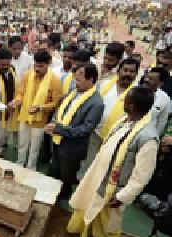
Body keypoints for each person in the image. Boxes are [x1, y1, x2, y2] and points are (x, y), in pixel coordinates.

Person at [67, 86, 158, 237]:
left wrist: (123, 196)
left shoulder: (148, 138)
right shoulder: (124, 121)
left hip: (114, 191)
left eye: (126, 99)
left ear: (131, 106)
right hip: (97, 180)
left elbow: (142, 175)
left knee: (107, 227)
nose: (122, 101)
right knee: (87, 211)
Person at [45, 63, 104, 199]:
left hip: (72, 148)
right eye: (75, 79)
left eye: (79, 80)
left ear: (91, 80)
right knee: (54, 172)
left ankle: (61, 206)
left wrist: (59, 129)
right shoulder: (74, 93)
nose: (75, 83)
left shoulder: (96, 103)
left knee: (65, 179)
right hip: (57, 141)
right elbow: (61, 111)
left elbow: (85, 130)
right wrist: (54, 123)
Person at [78, 58, 140, 180]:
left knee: (106, 168)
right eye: (125, 70)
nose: (128, 74)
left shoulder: (137, 93)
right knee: (88, 163)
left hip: (117, 139)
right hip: (96, 133)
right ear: (119, 70)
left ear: (136, 74)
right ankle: (80, 187)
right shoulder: (105, 85)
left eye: (132, 71)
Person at [11, 50, 61, 170]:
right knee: (22, 144)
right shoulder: (27, 75)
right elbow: (20, 93)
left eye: (41, 66)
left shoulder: (55, 80)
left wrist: (40, 107)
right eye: (36, 65)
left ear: (49, 63)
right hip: (24, 116)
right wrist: (17, 100)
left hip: (40, 120)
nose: (37, 69)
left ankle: (30, 168)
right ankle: (19, 164)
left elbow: (55, 103)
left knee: (34, 148)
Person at [143, 67, 171, 135]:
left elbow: (161, 123)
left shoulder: (165, 99)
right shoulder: (135, 91)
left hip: (147, 136)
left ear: (161, 83)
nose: (146, 80)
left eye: (151, 79)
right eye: (147, 77)